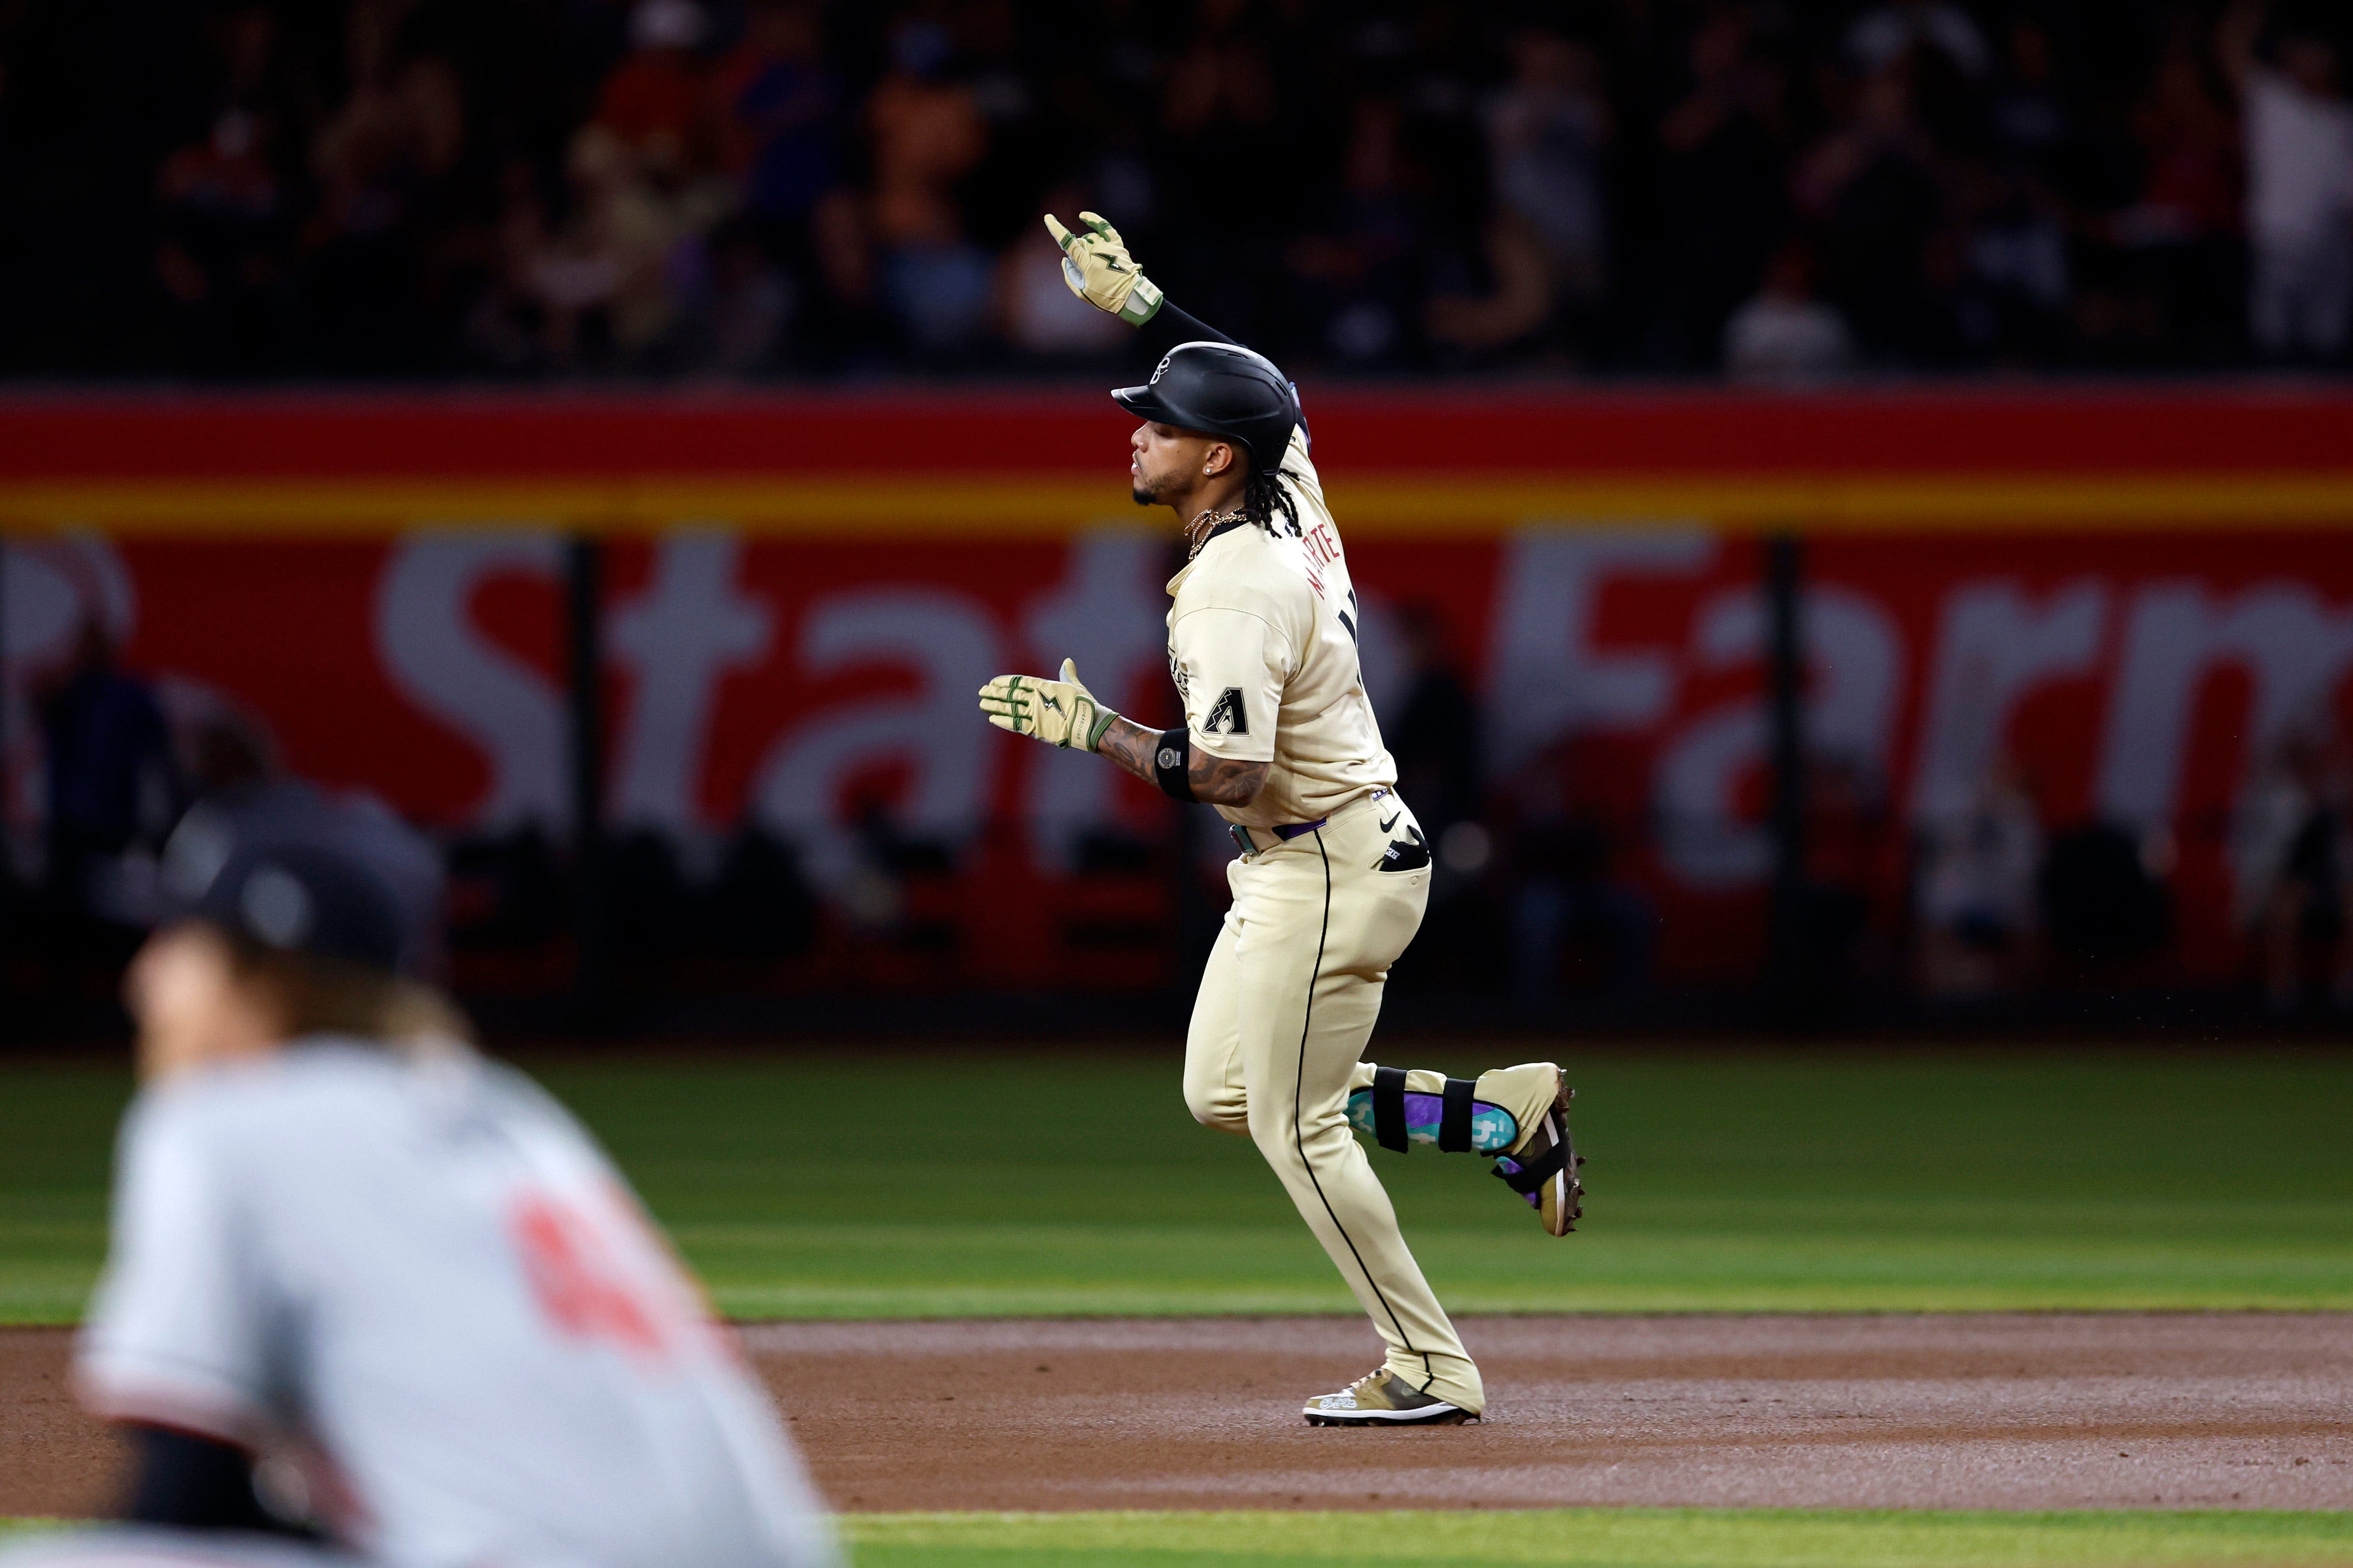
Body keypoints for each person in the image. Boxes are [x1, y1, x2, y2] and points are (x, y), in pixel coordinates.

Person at [978, 212, 1582, 1429]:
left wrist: (1092, 727)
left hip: (1324, 862)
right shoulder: (1287, 491)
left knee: (1295, 1126)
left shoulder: (1232, 596)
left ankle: (1428, 1364)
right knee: (1224, 1092)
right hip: (1325, 852)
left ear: (1214, 462)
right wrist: (1145, 306)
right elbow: (1280, 400)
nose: (1137, 431)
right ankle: (1499, 1113)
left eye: (1161, 421)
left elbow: (1233, 775)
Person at [0, 797, 836, 1568]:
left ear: (259, 981)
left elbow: (182, 1496)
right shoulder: (511, 1112)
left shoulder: (225, 1121)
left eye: (175, 945)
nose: (142, 981)